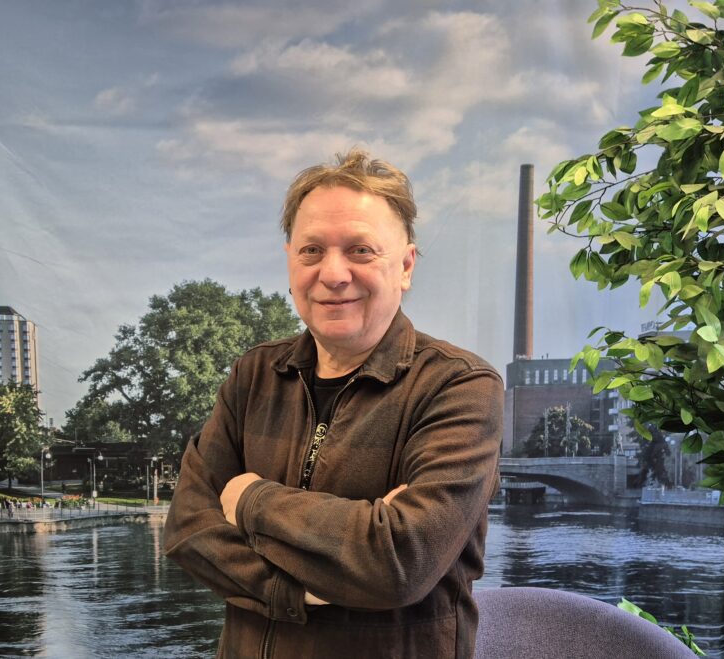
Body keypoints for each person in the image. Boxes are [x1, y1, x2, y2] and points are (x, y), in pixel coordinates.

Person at [163, 149, 503, 658]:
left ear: (405, 266)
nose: (334, 273)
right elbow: (187, 528)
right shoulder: (253, 375)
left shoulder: (459, 386)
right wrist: (298, 588)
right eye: (312, 250)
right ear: (290, 260)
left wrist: (250, 499)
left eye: (361, 250)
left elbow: (398, 563)